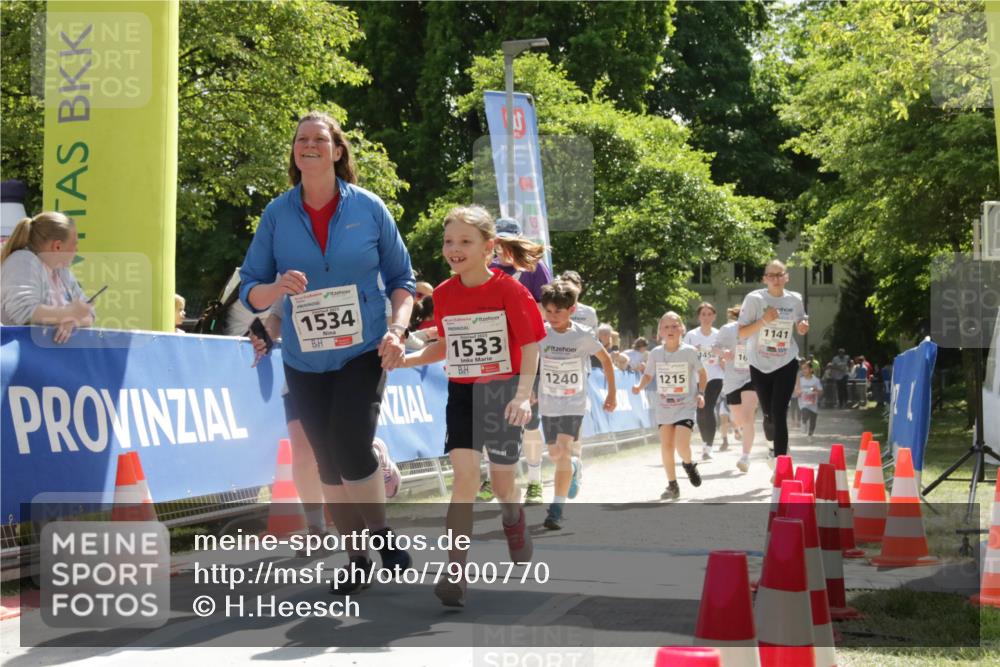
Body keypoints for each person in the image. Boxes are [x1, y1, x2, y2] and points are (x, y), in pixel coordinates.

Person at [239, 110, 416, 593]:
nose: (309, 145)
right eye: (301, 139)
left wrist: (397, 330)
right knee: (324, 458)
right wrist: (275, 287)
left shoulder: (369, 208)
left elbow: (402, 281)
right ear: (294, 152)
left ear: (337, 151)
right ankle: (357, 556)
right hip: (303, 356)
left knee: (350, 440)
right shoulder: (277, 213)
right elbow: (250, 290)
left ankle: (380, 534)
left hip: (364, 347)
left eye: (320, 139)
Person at [402, 205, 545, 607]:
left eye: (465, 241)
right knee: (465, 480)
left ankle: (513, 518)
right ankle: (456, 572)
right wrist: (408, 360)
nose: (454, 248)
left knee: (502, 484)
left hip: (503, 393)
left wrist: (522, 395)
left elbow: (531, 346)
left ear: (489, 248)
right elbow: (448, 345)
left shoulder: (510, 290)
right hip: (463, 393)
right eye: (449, 241)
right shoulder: (444, 294)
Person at [478, 216, 552, 506]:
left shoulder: (534, 269)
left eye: (510, 241)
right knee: (489, 420)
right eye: (499, 242)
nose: (503, 248)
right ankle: (490, 478)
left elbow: (548, 310)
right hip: (494, 356)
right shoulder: (486, 269)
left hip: (527, 355)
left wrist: (515, 306)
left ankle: (534, 481)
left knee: (529, 421)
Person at [537, 280, 616, 529]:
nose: (552, 317)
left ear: (571, 310)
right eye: (548, 311)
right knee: (555, 454)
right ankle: (573, 464)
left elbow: (606, 362)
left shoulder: (583, 335)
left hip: (574, 402)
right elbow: (528, 360)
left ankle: (557, 509)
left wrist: (611, 394)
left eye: (558, 312)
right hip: (549, 403)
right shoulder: (540, 332)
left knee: (561, 450)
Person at [737, 259, 809, 465]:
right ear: (764, 278)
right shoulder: (754, 299)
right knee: (769, 415)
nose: (776, 279)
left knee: (779, 412)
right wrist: (764, 321)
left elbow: (801, 321)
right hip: (759, 363)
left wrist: (803, 326)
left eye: (780, 275)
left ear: (787, 277)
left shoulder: (795, 299)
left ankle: (781, 463)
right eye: (771, 275)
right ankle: (772, 447)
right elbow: (741, 333)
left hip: (786, 361)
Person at [632, 311, 706, 500]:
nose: (670, 330)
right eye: (666, 327)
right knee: (666, 446)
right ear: (660, 332)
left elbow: (702, 374)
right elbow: (648, 374)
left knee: (681, 445)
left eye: (674, 326)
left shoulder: (689, 351)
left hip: (685, 405)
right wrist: (639, 386)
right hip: (664, 406)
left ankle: (688, 464)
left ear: (682, 329)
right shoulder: (656, 353)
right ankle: (672, 485)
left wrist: (701, 393)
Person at [1, 211, 95, 343]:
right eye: (75, 243)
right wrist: (67, 314)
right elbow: (23, 312)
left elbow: (89, 314)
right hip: (21, 359)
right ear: (57, 246)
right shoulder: (22, 261)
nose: (77, 249)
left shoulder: (63, 272)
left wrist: (72, 322)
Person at [716, 305, 758, 473]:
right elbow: (714, 347)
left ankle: (745, 457)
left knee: (748, 417)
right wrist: (723, 352)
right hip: (732, 379)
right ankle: (738, 428)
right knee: (738, 419)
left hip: (752, 376)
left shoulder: (759, 329)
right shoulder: (727, 329)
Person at [684, 302, 725, 460]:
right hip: (696, 377)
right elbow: (685, 354)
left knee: (708, 408)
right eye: (703, 314)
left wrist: (723, 359)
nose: (706, 317)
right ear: (698, 317)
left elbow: (727, 353)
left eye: (709, 314)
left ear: (714, 316)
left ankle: (708, 446)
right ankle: (705, 442)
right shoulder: (691, 335)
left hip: (715, 376)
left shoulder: (719, 334)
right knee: (700, 411)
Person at [795, 359, 823, 437]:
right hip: (803, 403)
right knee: (805, 412)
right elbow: (796, 392)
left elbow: (821, 392)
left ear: (811, 369)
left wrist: (815, 390)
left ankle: (810, 435)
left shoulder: (816, 380)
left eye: (805, 368)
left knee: (813, 422)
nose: (803, 370)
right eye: (802, 368)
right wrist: (798, 393)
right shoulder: (800, 380)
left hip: (813, 404)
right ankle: (803, 422)